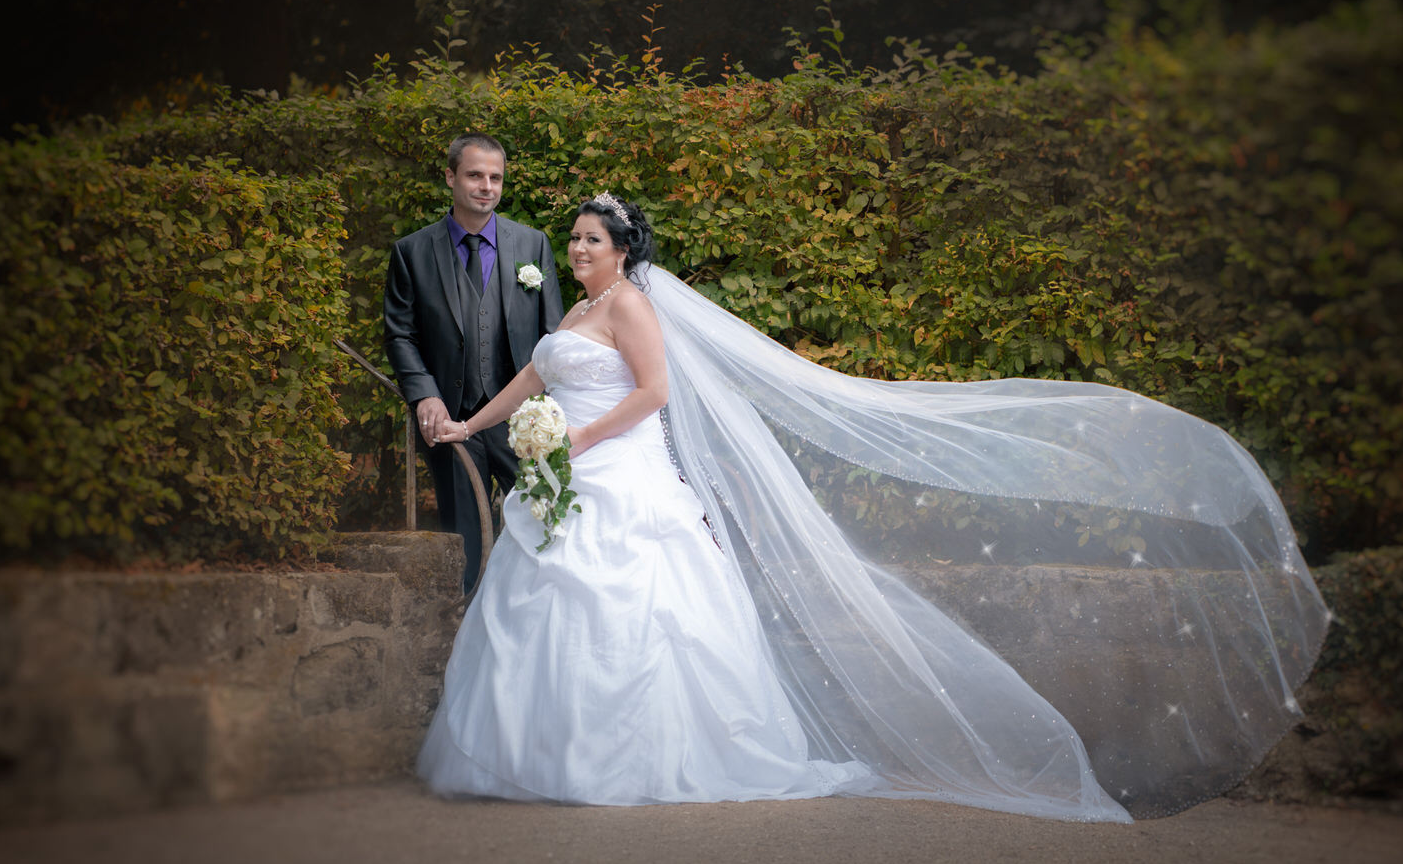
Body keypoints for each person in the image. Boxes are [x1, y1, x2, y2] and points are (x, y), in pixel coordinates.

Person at [416, 193, 1330, 821]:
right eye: (573, 240)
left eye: (591, 241)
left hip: (617, 471)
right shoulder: (570, 317)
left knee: (638, 613)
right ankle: (535, 757)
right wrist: (469, 423)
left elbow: (653, 394)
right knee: (541, 602)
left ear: (622, 251)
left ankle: (632, 761)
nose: (577, 250)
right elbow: (530, 380)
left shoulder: (631, 310)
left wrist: (576, 441)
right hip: (565, 478)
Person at [383, 132, 566, 594]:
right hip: (452, 416)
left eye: (495, 178)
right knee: (464, 544)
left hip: (522, 418)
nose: (486, 186)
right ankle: (465, 624)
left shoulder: (532, 245)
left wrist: (554, 408)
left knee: (545, 525)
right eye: (475, 175)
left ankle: (538, 614)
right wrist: (425, 395)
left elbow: (553, 337)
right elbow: (401, 334)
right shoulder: (412, 252)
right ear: (450, 177)